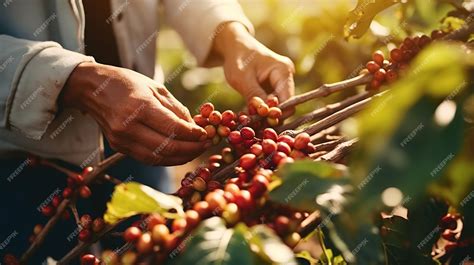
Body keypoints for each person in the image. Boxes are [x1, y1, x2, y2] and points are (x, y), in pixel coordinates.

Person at [0, 0, 295, 263]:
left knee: (159, 243)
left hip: (147, 126)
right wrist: (71, 79)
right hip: (22, 153)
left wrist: (233, 36)